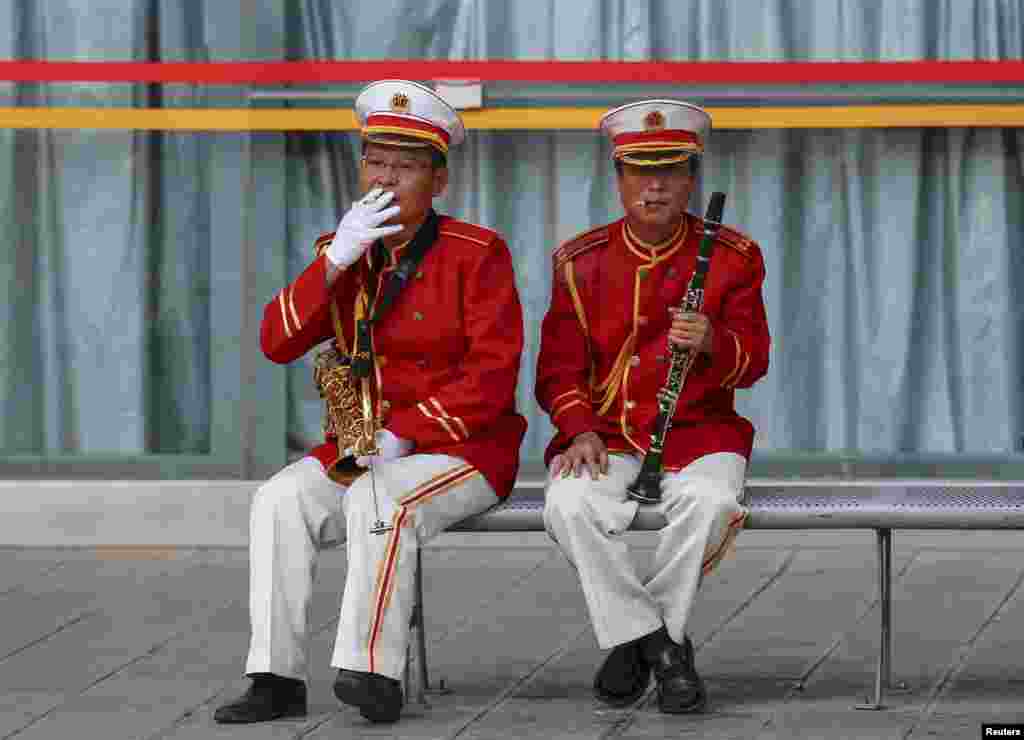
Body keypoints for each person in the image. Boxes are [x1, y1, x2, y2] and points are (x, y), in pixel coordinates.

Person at [214, 79, 527, 725]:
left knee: (377, 497)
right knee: (278, 499)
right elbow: (276, 341)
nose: (386, 178)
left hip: (462, 450)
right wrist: (334, 262)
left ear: (438, 181)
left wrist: (407, 432)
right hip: (364, 446)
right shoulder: (346, 248)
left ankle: (371, 671)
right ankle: (274, 676)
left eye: (406, 166)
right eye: (375, 161)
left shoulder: (478, 252)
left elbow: (494, 374)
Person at [536, 99, 770, 714]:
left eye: (670, 170)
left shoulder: (735, 258)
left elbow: (757, 361)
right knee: (568, 501)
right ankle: (660, 644)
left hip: (702, 432)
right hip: (608, 434)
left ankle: (635, 641)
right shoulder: (579, 261)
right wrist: (577, 427)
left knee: (713, 503)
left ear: (692, 178)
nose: (655, 185)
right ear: (618, 179)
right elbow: (557, 368)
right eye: (639, 171)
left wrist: (715, 341)